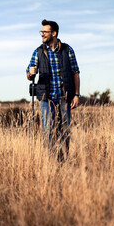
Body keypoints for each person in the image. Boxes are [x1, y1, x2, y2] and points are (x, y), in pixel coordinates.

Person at [26, 19, 80, 162]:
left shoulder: (67, 50)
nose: (42, 34)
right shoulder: (38, 51)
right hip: (46, 97)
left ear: (54, 33)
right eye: (41, 32)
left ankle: (63, 160)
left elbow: (75, 72)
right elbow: (28, 74)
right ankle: (51, 161)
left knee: (64, 130)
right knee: (48, 130)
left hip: (65, 96)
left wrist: (76, 94)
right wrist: (31, 72)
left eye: (45, 32)